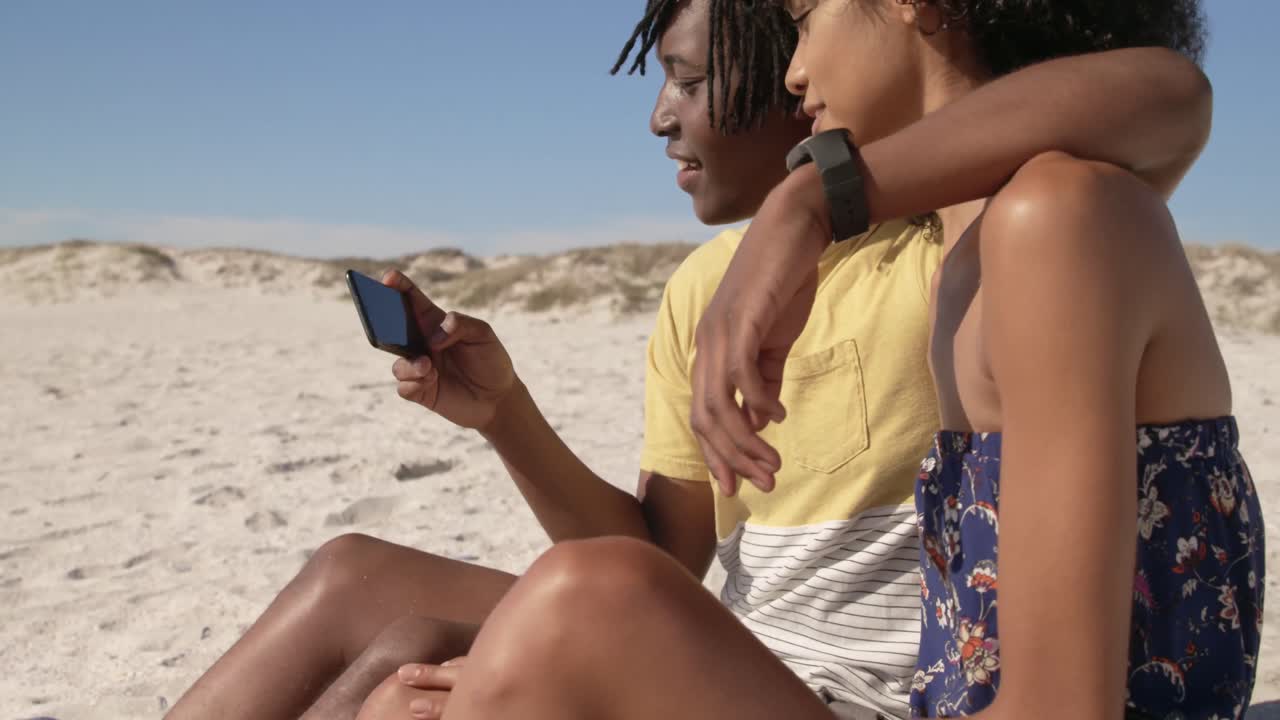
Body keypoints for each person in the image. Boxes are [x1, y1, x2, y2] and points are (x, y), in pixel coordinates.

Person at [167, 1, 1218, 718]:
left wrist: (811, 201)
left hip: (851, 680)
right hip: (753, 644)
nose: (659, 114)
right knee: (368, 582)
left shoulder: (990, 238)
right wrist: (506, 417)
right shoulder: (712, 291)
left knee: (563, 604)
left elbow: (1161, 94)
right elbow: (672, 558)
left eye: (692, 76)